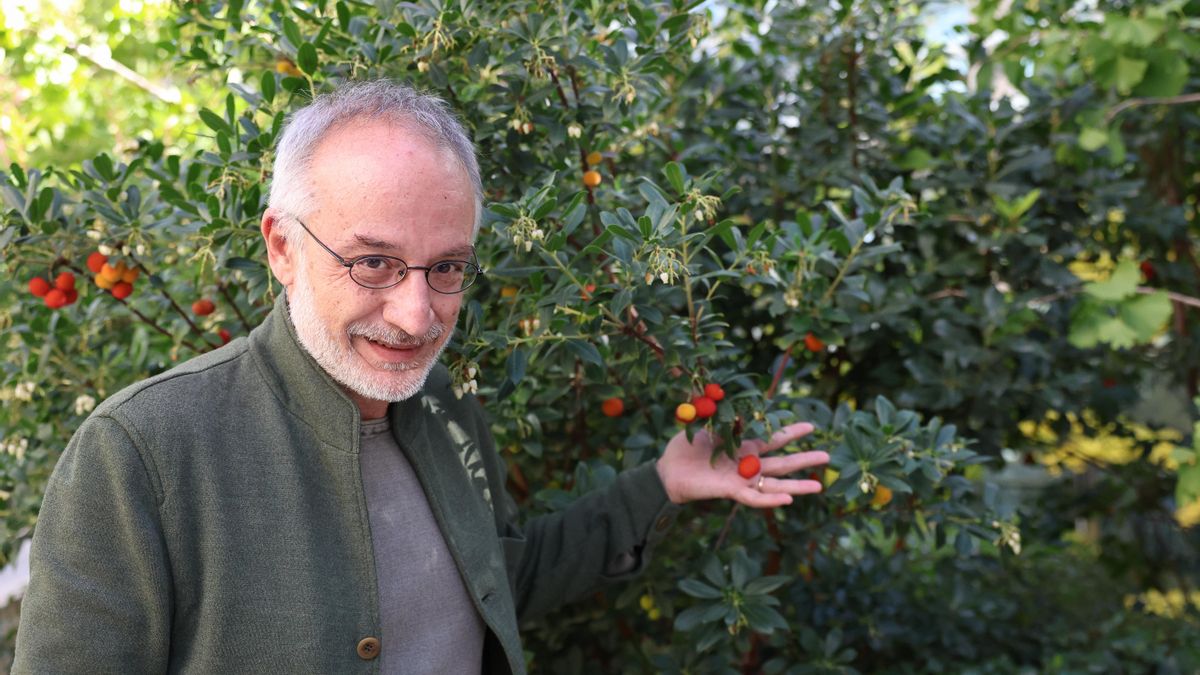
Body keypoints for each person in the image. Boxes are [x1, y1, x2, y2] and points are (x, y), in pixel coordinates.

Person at [12, 80, 828, 673]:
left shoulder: (441, 403)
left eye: (447, 267)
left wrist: (662, 484)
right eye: (373, 262)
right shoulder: (141, 453)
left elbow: (497, 578)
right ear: (282, 247)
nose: (416, 316)